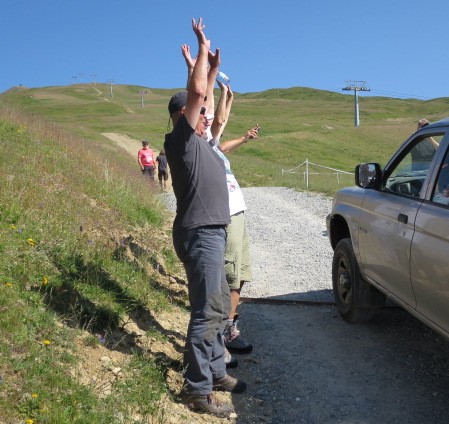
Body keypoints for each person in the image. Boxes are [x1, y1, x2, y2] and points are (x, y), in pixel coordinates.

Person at [164, 18, 245, 418]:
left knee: (216, 306)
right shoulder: (181, 142)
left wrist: (212, 71)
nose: (207, 115)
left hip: (211, 231)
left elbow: (204, 96)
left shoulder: (204, 141)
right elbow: (197, 94)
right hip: (200, 233)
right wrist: (200, 50)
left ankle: (214, 371)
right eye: (200, 112)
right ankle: (197, 388)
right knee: (206, 312)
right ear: (184, 114)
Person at [181, 48, 257, 362]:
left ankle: (228, 328)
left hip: (237, 211)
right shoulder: (199, 145)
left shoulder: (213, 145)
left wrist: (228, 96)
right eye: (203, 118)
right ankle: (220, 337)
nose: (209, 120)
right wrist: (199, 68)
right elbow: (203, 102)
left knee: (238, 273)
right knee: (227, 275)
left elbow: (219, 116)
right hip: (222, 215)